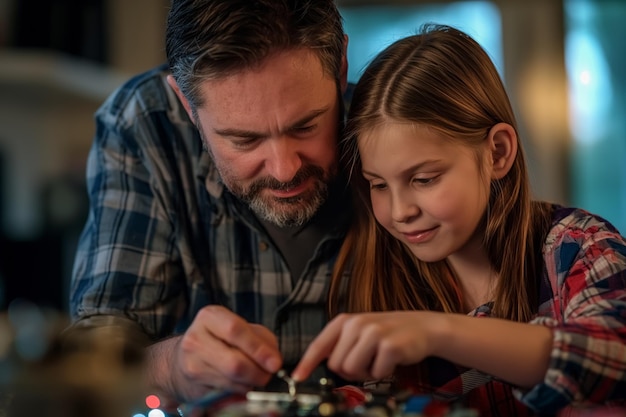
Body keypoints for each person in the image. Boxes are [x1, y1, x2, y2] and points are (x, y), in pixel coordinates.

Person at [291, 24, 626, 416]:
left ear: (497, 153)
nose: (399, 212)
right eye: (378, 184)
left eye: (424, 179)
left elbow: (613, 352)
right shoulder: (385, 274)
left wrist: (438, 331)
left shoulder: (578, 244)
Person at [67, 0, 352, 409]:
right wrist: (173, 367)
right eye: (245, 140)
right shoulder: (145, 125)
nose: (285, 169)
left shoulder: (392, 119)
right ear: (186, 104)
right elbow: (94, 354)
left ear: (341, 69)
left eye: (306, 126)